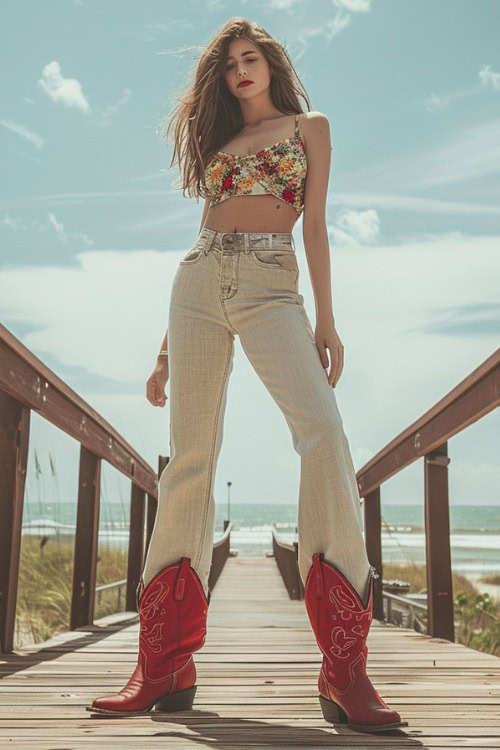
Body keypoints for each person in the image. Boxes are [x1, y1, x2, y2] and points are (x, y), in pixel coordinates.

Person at [87, 17, 408, 734]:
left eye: (250, 56)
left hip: (272, 279)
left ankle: (345, 668)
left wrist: (327, 320)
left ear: (271, 65)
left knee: (322, 431)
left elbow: (315, 223)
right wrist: (165, 351)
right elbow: (203, 233)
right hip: (198, 283)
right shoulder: (220, 145)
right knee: (190, 460)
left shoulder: (308, 126)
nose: (240, 68)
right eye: (229, 61)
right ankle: (163, 661)